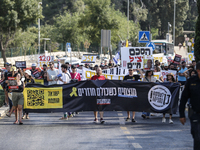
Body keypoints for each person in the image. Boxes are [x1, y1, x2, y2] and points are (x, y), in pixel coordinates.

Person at [179, 61, 200, 150]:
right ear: (198, 71)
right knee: (197, 137)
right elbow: (184, 98)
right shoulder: (191, 81)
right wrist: (182, 114)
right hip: (195, 113)